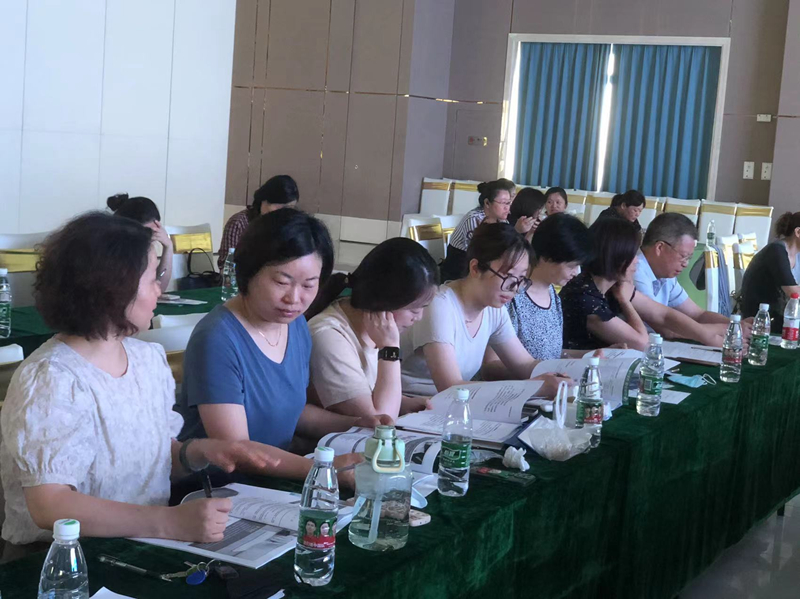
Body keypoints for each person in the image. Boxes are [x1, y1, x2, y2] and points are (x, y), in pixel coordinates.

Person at [0, 213, 283, 555]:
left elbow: (156, 458)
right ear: (113, 290)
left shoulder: (148, 359)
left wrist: (202, 452)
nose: (160, 290)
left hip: (137, 546)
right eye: (152, 279)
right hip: (56, 561)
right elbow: (50, 505)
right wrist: (169, 522)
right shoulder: (52, 378)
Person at [178, 209, 386, 473]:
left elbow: (293, 412)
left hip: (276, 478)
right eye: (281, 282)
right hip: (222, 487)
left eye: (309, 285)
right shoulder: (216, 339)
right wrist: (321, 470)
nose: (294, 299)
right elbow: (237, 452)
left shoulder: (295, 325)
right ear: (249, 273)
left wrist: (355, 424)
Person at [401, 222, 570, 396]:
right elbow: (450, 387)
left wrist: (564, 374)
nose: (514, 288)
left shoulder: (494, 309)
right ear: (475, 268)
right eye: (508, 276)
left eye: (521, 279)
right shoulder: (440, 306)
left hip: (453, 405)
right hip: (412, 404)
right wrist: (534, 387)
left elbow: (524, 364)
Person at [306, 238, 439, 420]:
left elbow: (368, 393)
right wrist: (390, 349)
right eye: (414, 309)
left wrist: (403, 403)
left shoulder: (374, 329)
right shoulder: (329, 336)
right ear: (383, 301)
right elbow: (381, 420)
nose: (418, 317)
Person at [632, 212, 733, 346]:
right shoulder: (635, 270)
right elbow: (666, 329)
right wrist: (730, 330)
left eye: (689, 258)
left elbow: (698, 315)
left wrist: (736, 325)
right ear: (660, 247)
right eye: (683, 256)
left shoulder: (665, 275)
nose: (685, 264)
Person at [502, 213, 593, 359]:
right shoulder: (511, 297)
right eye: (572, 266)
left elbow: (552, 353)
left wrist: (593, 355)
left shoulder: (552, 294)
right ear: (547, 257)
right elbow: (492, 364)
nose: (577, 272)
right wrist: (543, 369)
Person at [560, 218, 649, 350]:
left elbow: (662, 315)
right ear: (617, 256)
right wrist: (624, 301)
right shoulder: (583, 296)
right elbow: (640, 343)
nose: (637, 261)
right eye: (633, 255)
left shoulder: (608, 286)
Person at [440, 180, 528, 282]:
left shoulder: (502, 220)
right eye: (504, 203)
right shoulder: (474, 218)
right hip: (459, 269)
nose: (507, 208)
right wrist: (516, 231)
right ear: (487, 203)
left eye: (509, 203)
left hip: (482, 267)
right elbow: (480, 252)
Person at [217, 175, 299, 270]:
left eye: (289, 209)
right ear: (264, 200)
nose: (283, 214)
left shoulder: (290, 225)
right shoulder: (239, 223)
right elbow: (227, 266)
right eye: (280, 208)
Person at [740, 211, 800, 332]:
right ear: (798, 232)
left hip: (781, 317)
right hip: (762, 321)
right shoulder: (776, 251)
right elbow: (794, 294)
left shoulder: (796, 255)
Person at [107, 193, 173, 292]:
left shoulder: (148, 249)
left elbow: (158, 289)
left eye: (153, 232)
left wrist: (168, 247)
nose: (149, 238)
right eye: (146, 232)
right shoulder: (115, 253)